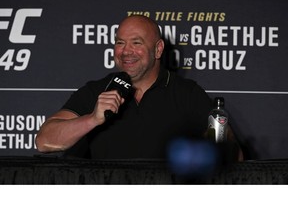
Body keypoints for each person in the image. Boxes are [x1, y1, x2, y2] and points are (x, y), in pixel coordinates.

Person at [36, 15, 242, 160]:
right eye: (120, 42)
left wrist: (218, 148)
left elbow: (232, 153)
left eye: (137, 43)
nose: (126, 51)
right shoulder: (97, 90)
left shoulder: (186, 93)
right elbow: (44, 141)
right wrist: (92, 119)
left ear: (158, 49)